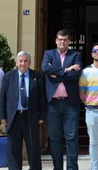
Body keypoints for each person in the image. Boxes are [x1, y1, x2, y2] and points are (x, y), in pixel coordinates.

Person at [42, 29, 82, 170]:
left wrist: (56, 73)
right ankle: (57, 167)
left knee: (71, 138)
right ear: (56, 40)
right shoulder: (49, 54)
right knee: (54, 138)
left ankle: (72, 168)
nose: (62, 42)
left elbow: (75, 75)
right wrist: (66, 69)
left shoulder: (76, 54)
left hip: (70, 103)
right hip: (52, 104)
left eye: (65, 39)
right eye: (60, 39)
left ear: (69, 41)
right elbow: (45, 69)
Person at [0, 51, 46, 170]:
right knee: (13, 149)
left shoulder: (37, 76)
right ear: (16, 62)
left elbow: (42, 98)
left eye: (25, 61)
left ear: (30, 62)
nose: (23, 63)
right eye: (20, 61)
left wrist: (42, 116)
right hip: (13, 117)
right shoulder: (8, 76)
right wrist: (3, 116)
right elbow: (2, 97)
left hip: (30, 117)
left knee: (33, 148)